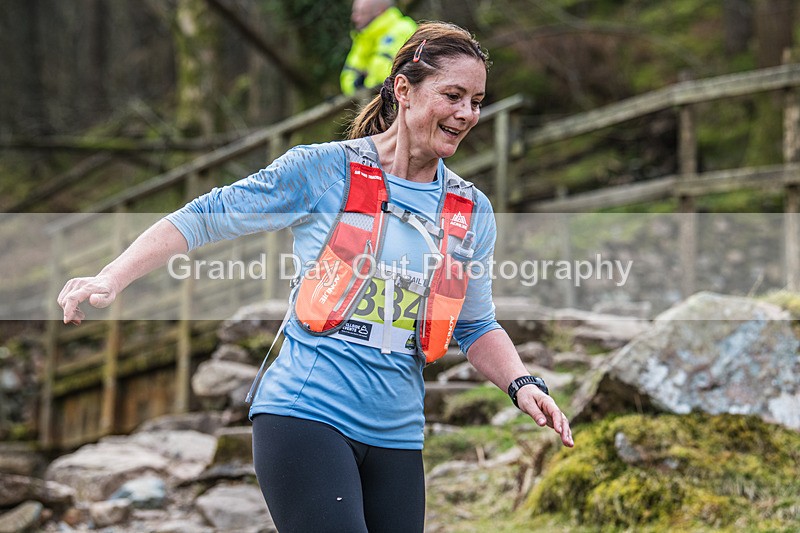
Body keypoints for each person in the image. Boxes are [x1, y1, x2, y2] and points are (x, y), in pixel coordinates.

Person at [58, 22, 573, 533]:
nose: (466, 114)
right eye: (453, 95)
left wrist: (521, 382)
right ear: (404, 90)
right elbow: (205, 215)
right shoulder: (326, 170)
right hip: (305, 414)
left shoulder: (470, 209)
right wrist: (111, 276)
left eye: (477, 101)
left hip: (397, 433)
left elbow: (476, 324)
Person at [340, 0, 417, 95]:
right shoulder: (364, 36)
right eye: (354, 12)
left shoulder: (403, 28)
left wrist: (365, 80)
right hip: (369, 102)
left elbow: (389, 74)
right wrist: (358, 85)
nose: (354, 18)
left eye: (362, 13)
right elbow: (348, 76)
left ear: (380, 11)